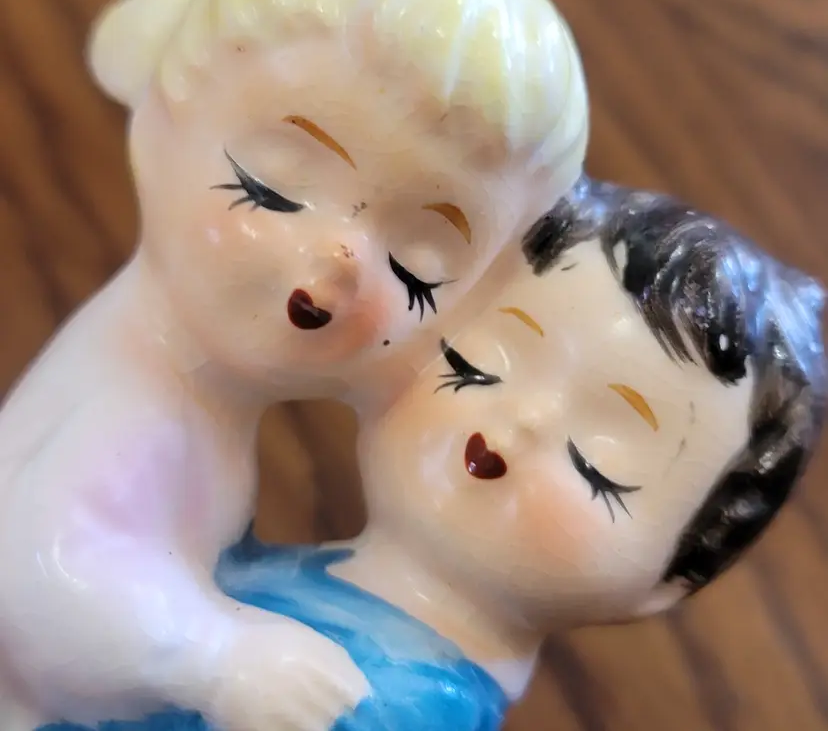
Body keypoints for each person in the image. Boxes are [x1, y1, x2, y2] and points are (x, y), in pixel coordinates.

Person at [0, 0, 589, 730]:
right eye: (271, 189)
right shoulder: (133, 405)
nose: (341, 263)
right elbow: (32, 581)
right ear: (161, 125)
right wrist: (213, 659)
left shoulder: (196, 404)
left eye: (417, 272)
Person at [46, 177, 825, 730]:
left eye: (597, 462)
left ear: (673, 576)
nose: (511, 428)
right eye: (476, 366)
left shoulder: (397, 705)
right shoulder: (318, 577)